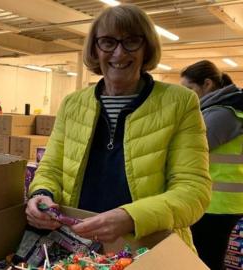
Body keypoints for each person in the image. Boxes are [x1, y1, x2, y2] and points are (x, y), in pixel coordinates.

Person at [26, 4, 211, 250]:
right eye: (108, 42)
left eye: (132, 41)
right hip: (77, 246)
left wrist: (131, 217)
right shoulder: (73, 104)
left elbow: (194, 190)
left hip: (148, 246)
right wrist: (42, 194)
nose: (119, 53)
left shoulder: (179, 102)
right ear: (95, 48)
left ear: (146, 48)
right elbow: (51, 168)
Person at [181, 60, 243, 270]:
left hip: (218, 203)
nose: (187, 95)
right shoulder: (217, 108)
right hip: (215, 200)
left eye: (189, 89)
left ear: (207, 84)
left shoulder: (223, 113)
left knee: (206, 259)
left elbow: (191, 146)